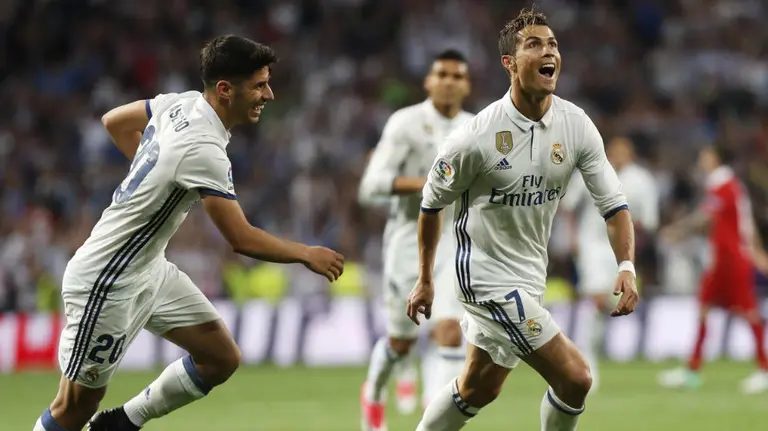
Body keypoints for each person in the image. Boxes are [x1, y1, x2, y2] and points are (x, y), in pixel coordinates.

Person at [33, 35, 345, 431]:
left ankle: (121, 424)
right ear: (225, 90)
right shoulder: (203, 150)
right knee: (73, 408)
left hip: (149, 270)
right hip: (107, 280)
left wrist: (155, 171)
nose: (269, 93)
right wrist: (306, 253)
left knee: (220, 357)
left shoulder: (179, 103)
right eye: (260, 85)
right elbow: (241, 239)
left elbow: (114, 120)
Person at [406, 9, 639, 431]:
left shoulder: (575, 126)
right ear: (509, 63)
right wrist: (425, 279)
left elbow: (614, 204)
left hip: (530, 276)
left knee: (479, 387)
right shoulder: (474, 138)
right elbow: (430, 204)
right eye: (534, 44)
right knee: (575, 378)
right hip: (485, 279)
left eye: (552, 44)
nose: (548, 51)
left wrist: (626, 265)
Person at [358, 49, 473, 430]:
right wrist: (429, 185)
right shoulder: (405, 123)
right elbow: (371, 186)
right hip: (409, 241)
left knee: (450, 332)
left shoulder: (477, 128)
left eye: (457, 76)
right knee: (401, 343)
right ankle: (374, 393)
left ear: (467, 85)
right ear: (428, 81)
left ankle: (432, 423)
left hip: (455, 243)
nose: (449, 81)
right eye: (441, 73)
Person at [658, 144, 768, 394]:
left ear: (716, 158)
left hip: (731, 259)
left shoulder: (724, 185)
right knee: (705, 310)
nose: (702, 159)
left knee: (748, 312)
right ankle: (692, 370)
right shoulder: (727, 186)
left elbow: (705, 217)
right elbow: (744, 223)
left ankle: (764, 369)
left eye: (705, 155)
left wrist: (677, 230)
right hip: (721, 258)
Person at [560, 136, 659, 391]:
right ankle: (588, 361)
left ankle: (601, 349)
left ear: (631, 153)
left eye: (623, 150)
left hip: (622, 251)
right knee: (597, 299)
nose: (618, 155)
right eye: (614, 150)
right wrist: (573, 239)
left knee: (609, 302)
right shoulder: (592, 170)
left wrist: (634, 244)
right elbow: (568, 205)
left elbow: (648, 221)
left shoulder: (641, 180)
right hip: (592, 245)